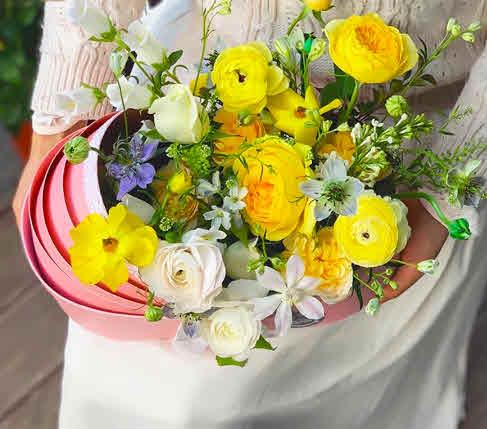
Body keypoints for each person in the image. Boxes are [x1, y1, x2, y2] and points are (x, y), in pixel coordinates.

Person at [13, 1, 487, 428]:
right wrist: (62, 117)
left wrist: (445, 187)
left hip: (408, 133)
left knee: (221, 400)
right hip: (203, 80)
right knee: (117, 367)